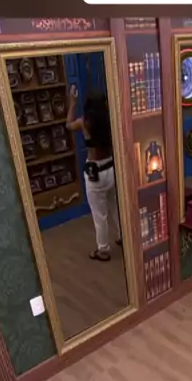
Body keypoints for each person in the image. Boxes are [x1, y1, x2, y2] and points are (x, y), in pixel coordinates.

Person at [66, 87, 121, 262]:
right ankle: (123, 236)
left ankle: (103, 249)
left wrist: (72, 102)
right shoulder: (110, 119)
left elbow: (68, 124)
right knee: (115, 206)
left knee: (99, 215)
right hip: (111, 168)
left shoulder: (85, 122)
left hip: (95, 172)